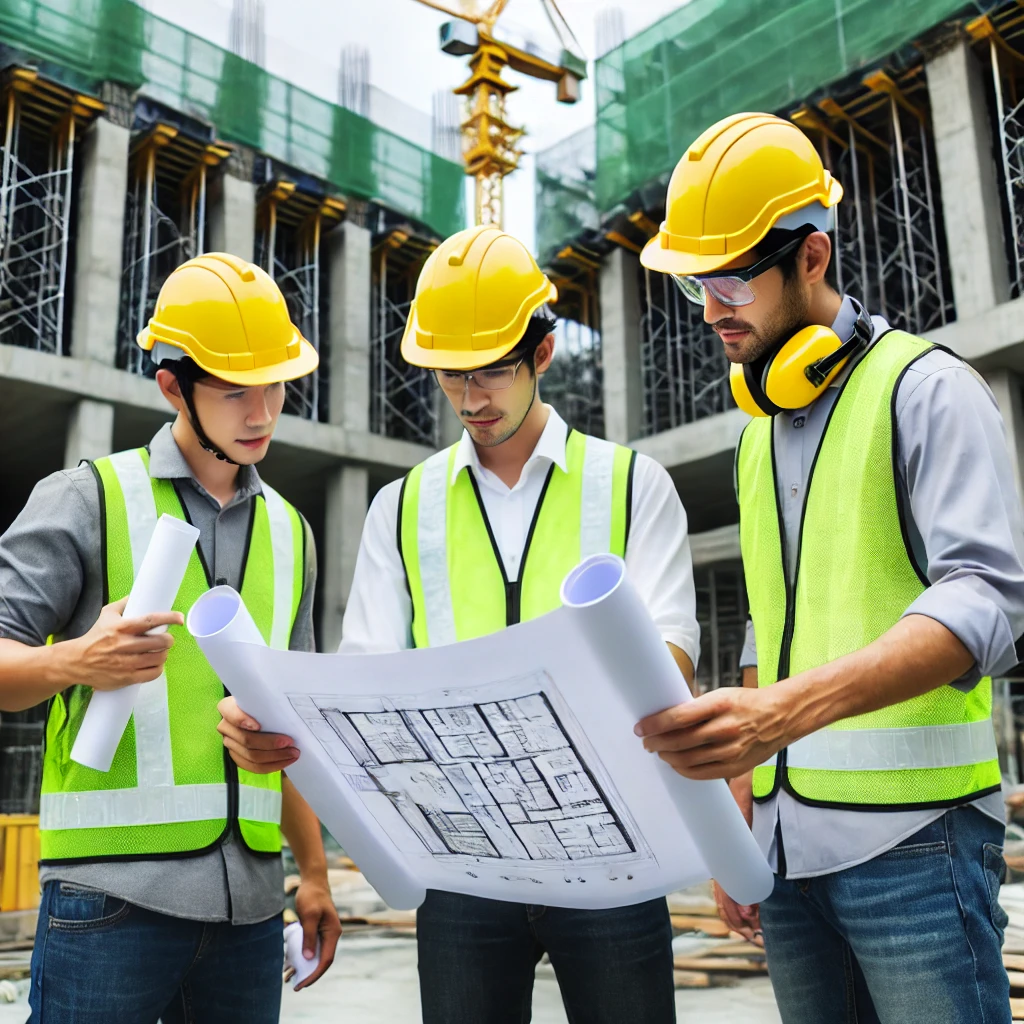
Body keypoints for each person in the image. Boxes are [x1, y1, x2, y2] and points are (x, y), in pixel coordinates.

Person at [218, 224, 701, 1023]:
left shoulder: (632, 486)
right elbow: (363, 684)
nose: (472, 399)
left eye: (493, 372)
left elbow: (671, 667)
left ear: (542, 356)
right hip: (463, 866)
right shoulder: (401, 509)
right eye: (451, 376)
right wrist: (278, 715)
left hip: (614, 855)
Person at [635, 111, 1024, 1023]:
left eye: (731, 279)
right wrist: (742, 813)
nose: (709, 310)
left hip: (917, 847)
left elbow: (988, 602)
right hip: (785, 854)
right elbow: (769, 628)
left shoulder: (927, 390)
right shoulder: (756, 438)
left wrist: (786, 710)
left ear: (811, 258)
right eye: (698, 283)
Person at [0, 253, 341, 1023]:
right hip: (109, 903)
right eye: (234, 391)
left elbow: (292, 722)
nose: (262, 412)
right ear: (171, 385)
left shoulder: (292, 534)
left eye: (276, 385)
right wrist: (74, 659)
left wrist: (312, 870)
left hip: (251, 913)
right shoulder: (87, 497)